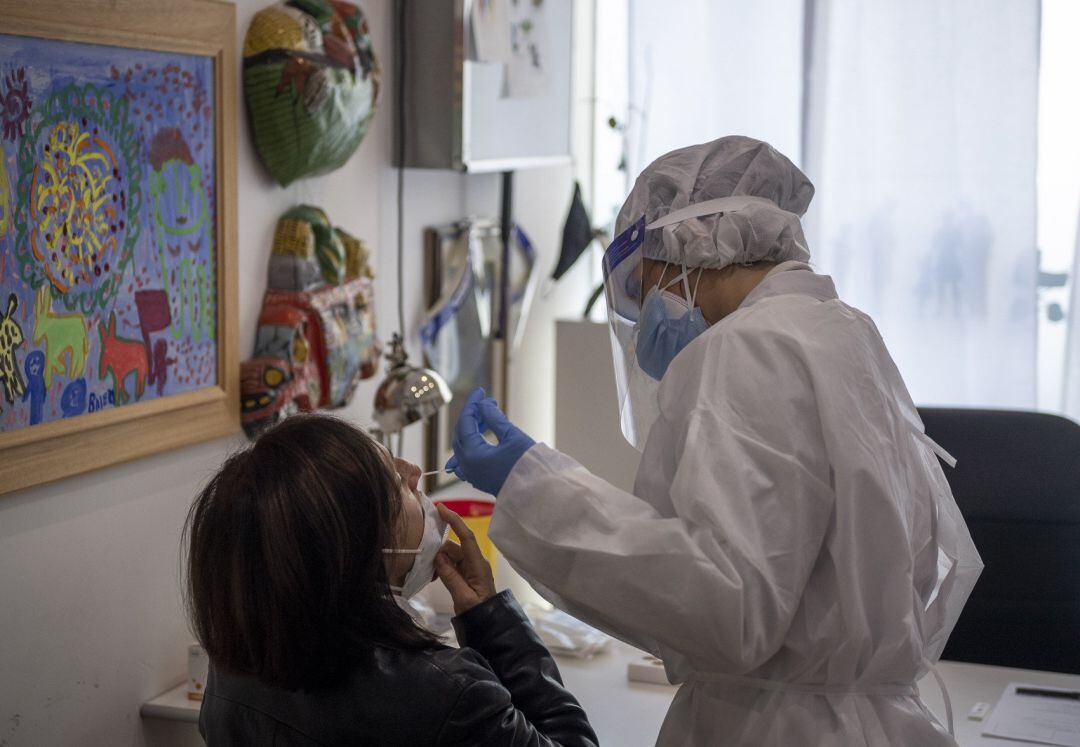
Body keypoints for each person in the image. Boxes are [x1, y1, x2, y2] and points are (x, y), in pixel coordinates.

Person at [447, 136, 983, 746]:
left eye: (640, 288)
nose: (643, 314)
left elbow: (727, 604)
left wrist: (532, 484)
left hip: (781, 728)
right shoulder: (838, 331)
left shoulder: (748, 347)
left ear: (689, 247)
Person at [185, 414, 597, 746]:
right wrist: (494, 621)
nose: (414, 471)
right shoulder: (449, 696)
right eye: (397, 481)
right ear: (363, 544)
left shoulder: (237, 663)